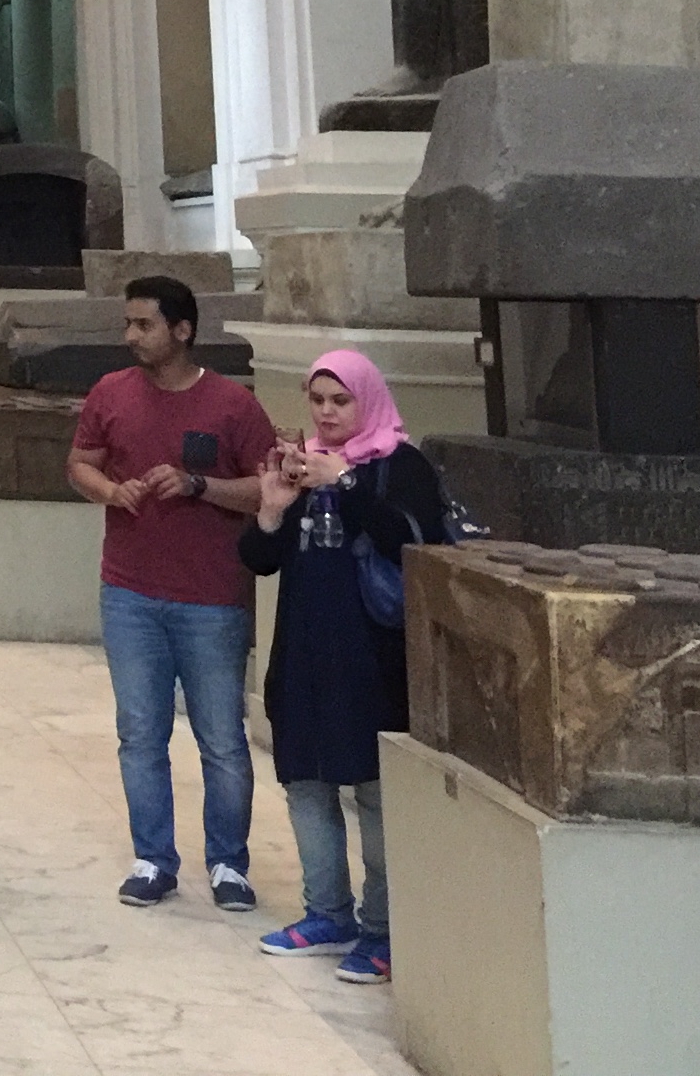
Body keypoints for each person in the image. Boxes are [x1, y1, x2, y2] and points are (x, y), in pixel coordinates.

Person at [66, 276, 276, 911]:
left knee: (222, 738)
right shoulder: (111, 392)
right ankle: (152, 859)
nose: (131, 336)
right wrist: (112, 491)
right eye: (128, 324)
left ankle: (229, 864)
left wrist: (198, 485)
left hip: (211, 598)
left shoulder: (233, 405)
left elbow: (266, 490)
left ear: (182, 330)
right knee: (140, 733)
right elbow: (80, 464)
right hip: (129, 593)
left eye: (144, 324)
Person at [242, 351, 445, 988]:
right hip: (304, 658)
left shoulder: (399, 465)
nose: (327, 413)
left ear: (367, 401)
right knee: (306, 785)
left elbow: (414, 539)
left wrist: (347, 482)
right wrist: (272, 509)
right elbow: (261, 560)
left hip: (373, 664)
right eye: (318, 400)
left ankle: (383, 931)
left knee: (376, 797)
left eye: (341, 401)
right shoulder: (305, 466)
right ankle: (327, 914)